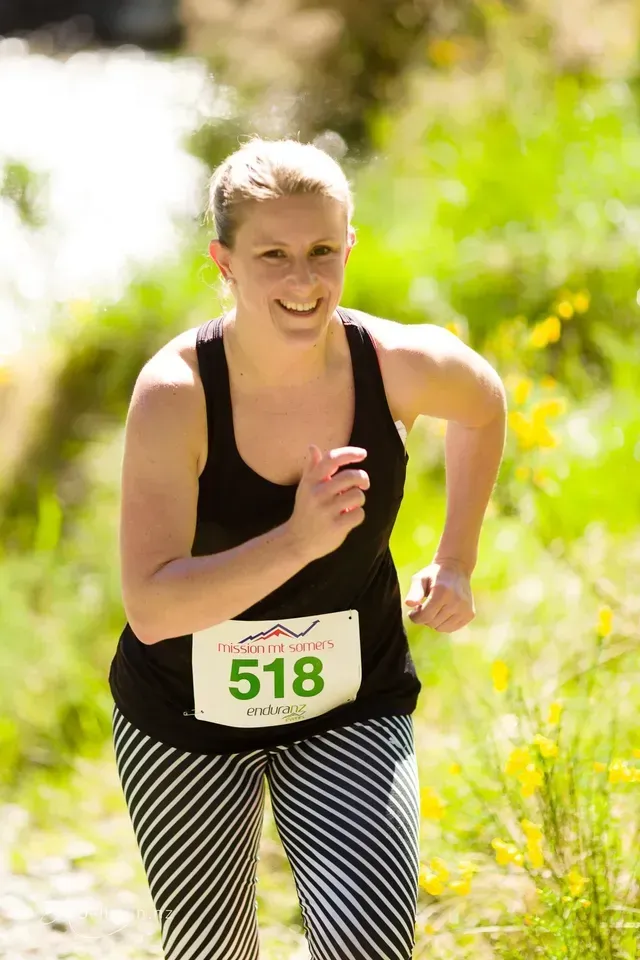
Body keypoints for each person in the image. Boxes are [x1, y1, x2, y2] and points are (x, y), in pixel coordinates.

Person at [108, 136, 506, 960]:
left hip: (347, 702)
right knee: (211, 949)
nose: (303, 280)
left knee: (368, 939)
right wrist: (297, 539)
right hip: (184, 713)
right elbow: (151, 608)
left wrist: (457, 557)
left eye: (323, 251)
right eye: (273, 254)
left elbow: (483, 401)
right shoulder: (176, 395)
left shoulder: (394, 363)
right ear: (223, 260)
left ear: (350, 245)